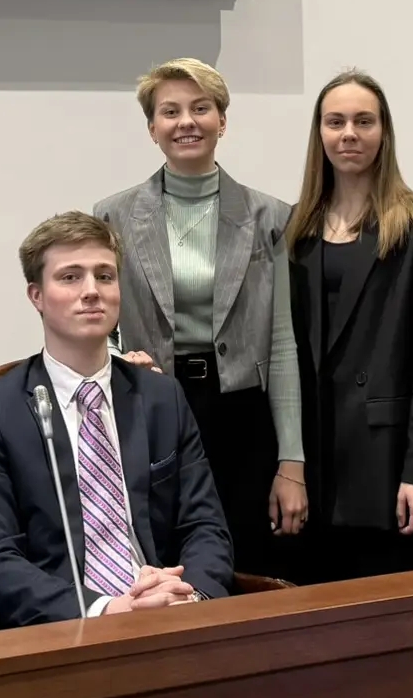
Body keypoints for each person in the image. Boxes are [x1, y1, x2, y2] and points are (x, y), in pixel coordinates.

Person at [0, 212, 234, 631]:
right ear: (36, 296)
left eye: (105, 276)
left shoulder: (161, 398)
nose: (91, 291)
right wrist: (107, 609)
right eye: (70, 277)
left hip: (167, 621)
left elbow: (205, 527)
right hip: (55, 631)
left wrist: (189, 596)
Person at [95, 59, 305, 579]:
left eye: (201, 108)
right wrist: (120, 358)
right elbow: (99, 322)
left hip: (243, 417)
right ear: (152, 128)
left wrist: (292, 462)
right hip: (153, 407)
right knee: (165, 563)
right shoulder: (113, 216)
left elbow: (282, 344)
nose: (186, 122)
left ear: (222, 121)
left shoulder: (271, 217)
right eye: (170, 112)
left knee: (250, 559)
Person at [284, 70, 413, 584]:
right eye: (335, 122)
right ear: (319, 133)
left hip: (389, 467)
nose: (349, 134)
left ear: (384, 132)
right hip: (313, 468)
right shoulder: (295, 228)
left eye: (364, 121)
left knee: (399, 620)